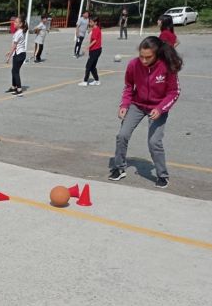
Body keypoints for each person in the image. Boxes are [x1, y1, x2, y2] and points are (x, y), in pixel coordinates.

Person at [108, 36, 182, 188]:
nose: (143, 60)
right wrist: (124, 105)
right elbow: (129, 87)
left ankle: (162, 175)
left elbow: (174, 92)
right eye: (141, 56)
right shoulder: (133, 65)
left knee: (154, 142)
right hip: (137, 104)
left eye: (148, 57)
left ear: (157, 54)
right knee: (122, 135)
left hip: (158, 107)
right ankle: (119, 167)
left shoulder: (167, 67)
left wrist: (160, 108)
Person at [5, 14, 27, 97]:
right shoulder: (20, 31)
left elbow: (14, 46)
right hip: (20, 53)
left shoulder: (18, 33)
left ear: (20, 24)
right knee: (14, 70)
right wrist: (9, 52)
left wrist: (9, 57)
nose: (14, 23)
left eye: (16, 22)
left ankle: (19, 89)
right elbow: (16, 45)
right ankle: (14, 86)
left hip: (19, 54)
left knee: (15, 71)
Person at [78, 15, 102, 86]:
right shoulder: (96, 28)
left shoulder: (96, 29)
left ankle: (85, 81)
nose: (89, 23)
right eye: (89, 22)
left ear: (95, 22)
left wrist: (86, 48)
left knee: (88, 66)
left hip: (95, 50)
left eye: (91, 22)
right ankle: (97, 81)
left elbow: (94, 40)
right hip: (96, 50)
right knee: (92, 67)